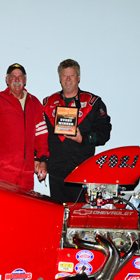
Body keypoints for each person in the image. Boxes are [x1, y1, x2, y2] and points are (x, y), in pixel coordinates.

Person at [43, 59, 111, 203]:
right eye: (64, 75)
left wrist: (83, 138)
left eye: (72, 75)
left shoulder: (93, 102)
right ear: (59, 78)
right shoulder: (48, 103)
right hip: (55, 172)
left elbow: (105, 133)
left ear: (78, 77)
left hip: (82, 171)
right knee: (57, 213)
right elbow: (40, 135)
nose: (68, 79)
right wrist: (40, 159)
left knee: (80, 213)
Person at [0, 63, 49, 190]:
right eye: (13, 77)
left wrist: (43, 160)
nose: (17, 80)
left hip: (27, 173)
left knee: (26, 204)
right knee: (3, 203)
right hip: (3, 171)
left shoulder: (34, 103)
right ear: (7, 80)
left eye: (20, 76)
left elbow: (42, 136)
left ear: (25, 80)